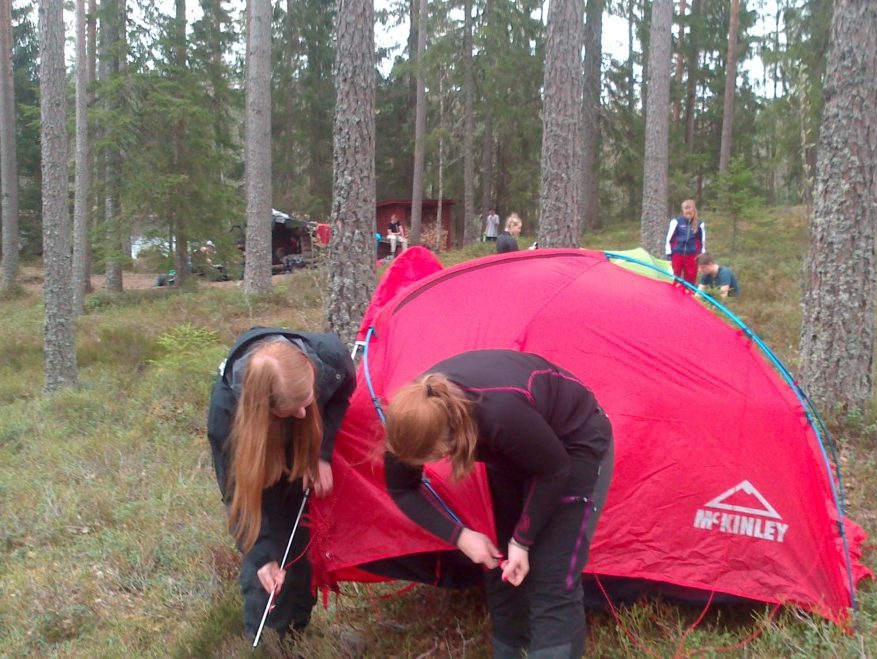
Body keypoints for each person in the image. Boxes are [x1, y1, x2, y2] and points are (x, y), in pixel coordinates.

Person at [383, 350, 614, 659]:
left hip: (574, 444)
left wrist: (523, 539)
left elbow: (555, 470)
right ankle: (510, 650)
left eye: (434, 458)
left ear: (451, 440)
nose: (431, 464)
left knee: (551, 577)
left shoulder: (499, 413)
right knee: (504, 563)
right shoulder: (409, 423)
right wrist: (461, 536)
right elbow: (402, 489)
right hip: (513, 452)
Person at [206, 328, 357, 641]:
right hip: (258, 456)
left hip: (301, 447)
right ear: (267, 410)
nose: (303, 412)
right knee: (269, 552)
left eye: (307, 401)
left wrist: (322, 453)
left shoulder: (330, 360)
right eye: (293, 409)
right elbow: (237, 496)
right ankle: (267, 640)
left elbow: (342, 394)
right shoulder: (226, 419)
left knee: (298, 542)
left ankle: (296, 633)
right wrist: (262, 555)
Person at [664, 199, 706, 288]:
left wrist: (701, 256)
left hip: (692, 256)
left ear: (694, 210)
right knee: (674, 278)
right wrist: (669, 255)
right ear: (683, 210)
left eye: (689, 210)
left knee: (690, 281)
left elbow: (702, 241)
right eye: (685, 210)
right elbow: (669, 239)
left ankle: (687, 296)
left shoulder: (700, 224)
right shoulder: (676, 222)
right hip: (677, 254)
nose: (688, 213)